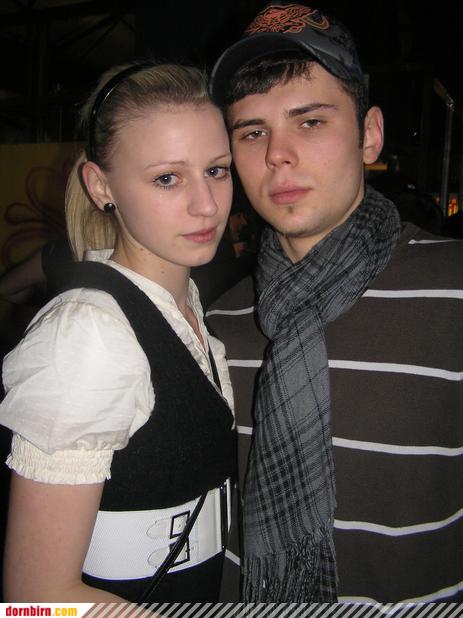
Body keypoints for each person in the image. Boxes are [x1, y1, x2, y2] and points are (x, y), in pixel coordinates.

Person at [206, 1, 463, 604]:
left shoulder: (454, 292)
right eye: (252, 132)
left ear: (370, 134)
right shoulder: (218, 322)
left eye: (311, 121)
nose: (277, 154)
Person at [0, 62, 237, 603]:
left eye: (217, 170)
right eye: (167, 178)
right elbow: (35, 603)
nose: (206, 204)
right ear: (100, 185)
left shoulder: (183, 306)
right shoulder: (88, 334)